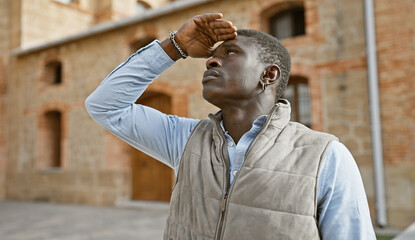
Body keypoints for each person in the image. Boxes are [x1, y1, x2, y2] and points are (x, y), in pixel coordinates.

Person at [85, 13, 375, 239]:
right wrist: (174, 47)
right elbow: (105, 106)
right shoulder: (186, 140)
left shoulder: (326, 157)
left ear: (269, 74)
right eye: (212, 56)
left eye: (231, 53)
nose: (211, 61)